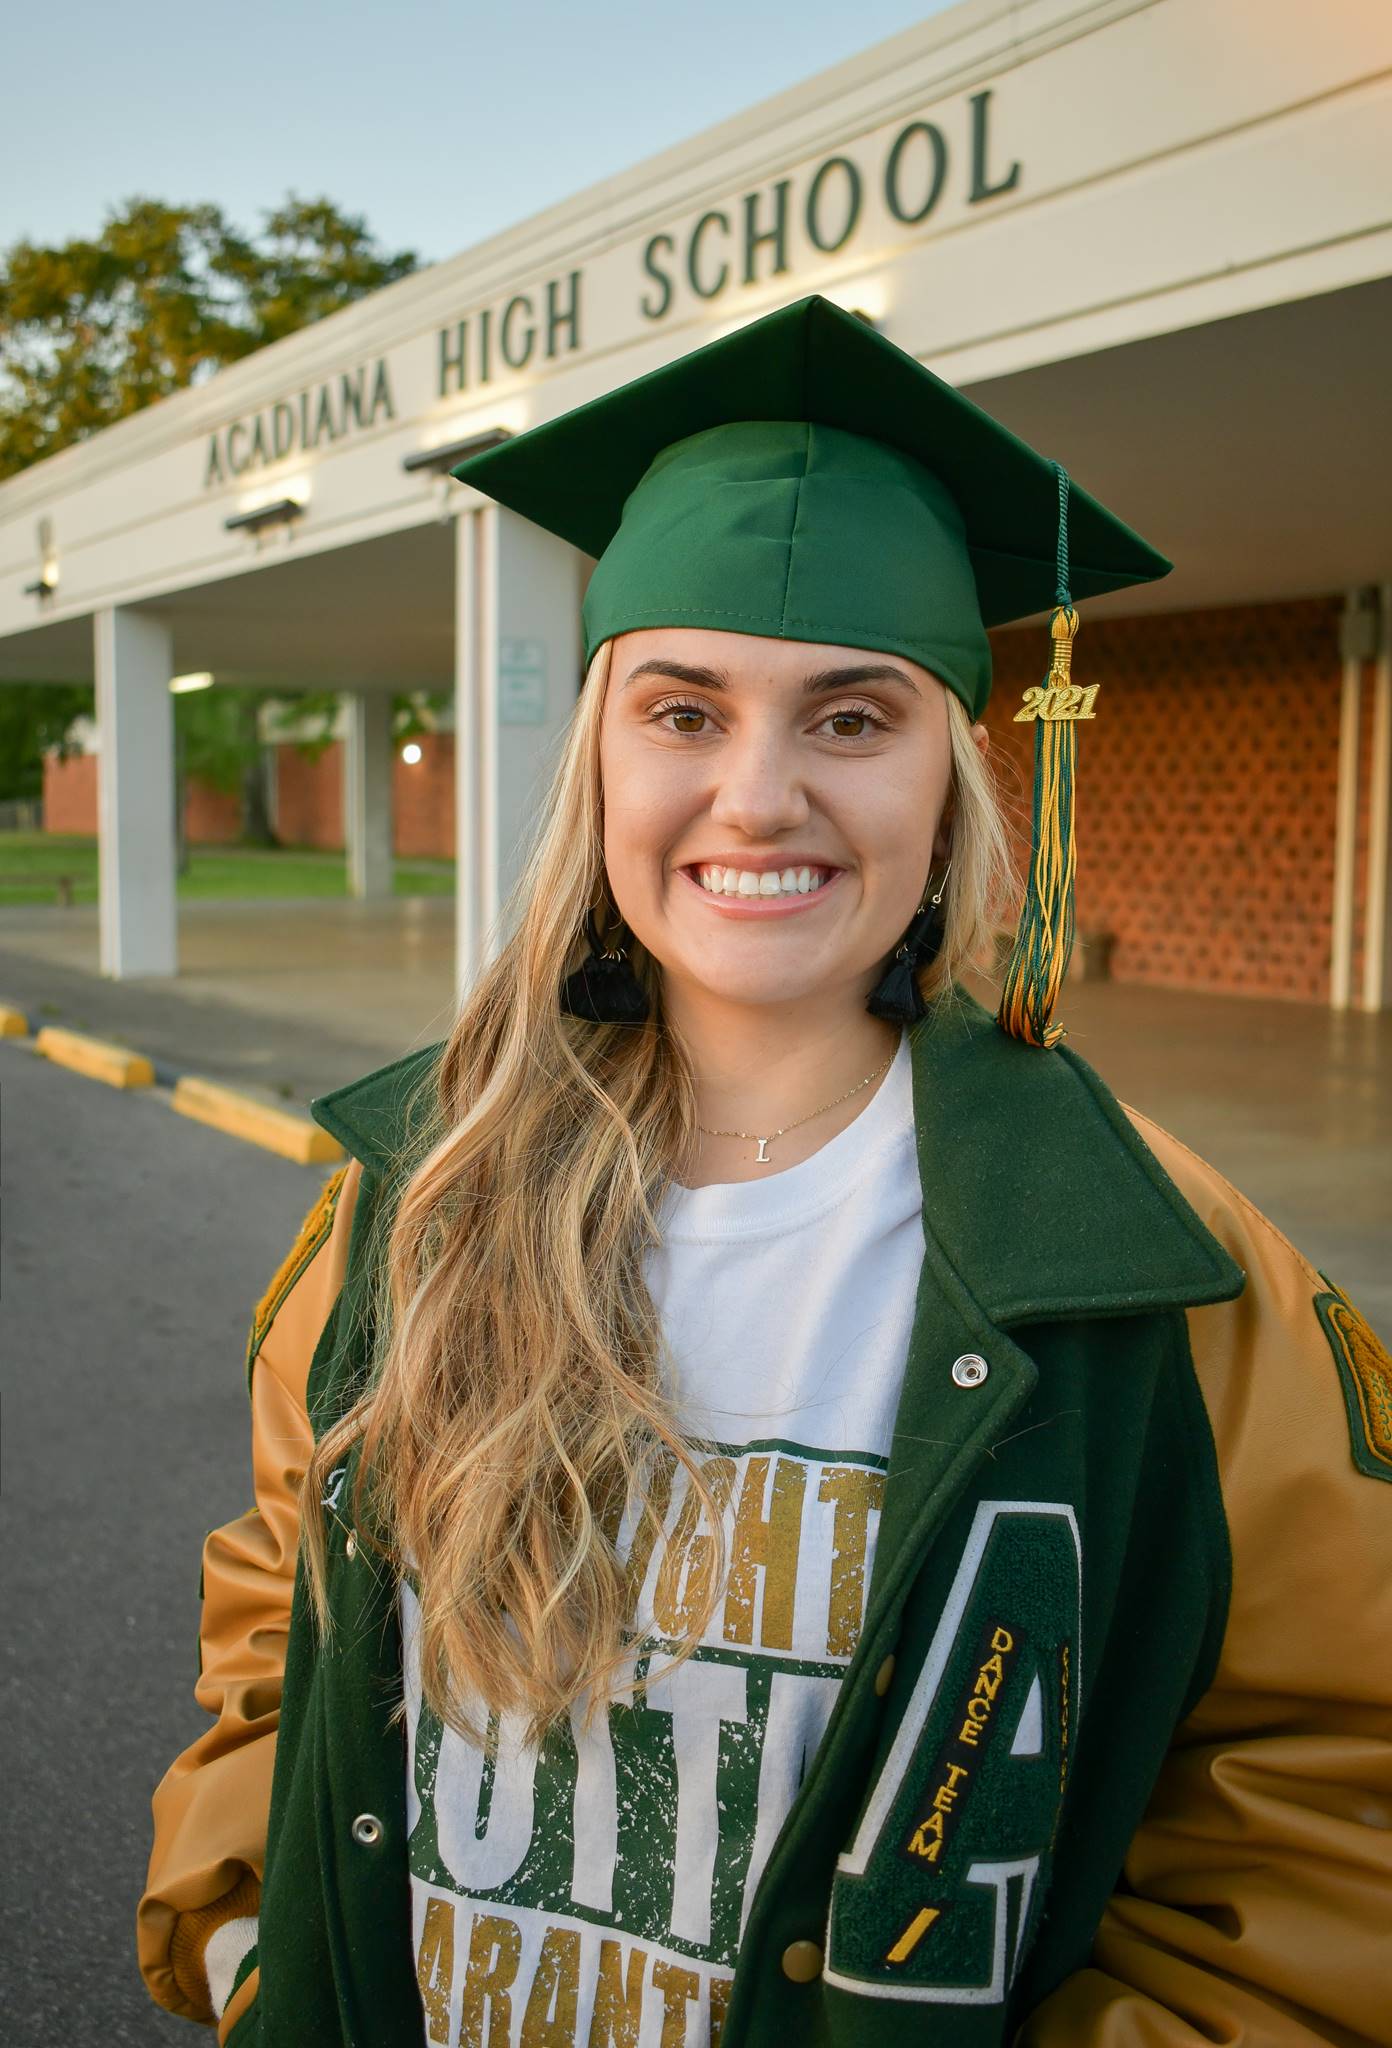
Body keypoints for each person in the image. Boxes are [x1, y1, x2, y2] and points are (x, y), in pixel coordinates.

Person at [138, 295, 1391, 2048]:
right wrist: (254, 1938)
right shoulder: (416, 1192)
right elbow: (285, 1600)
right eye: (683, 709)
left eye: (852, 720)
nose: (758, 794)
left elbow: (1331, 1776)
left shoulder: (1159, 1268)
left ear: (951, 777)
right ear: (598, 755)